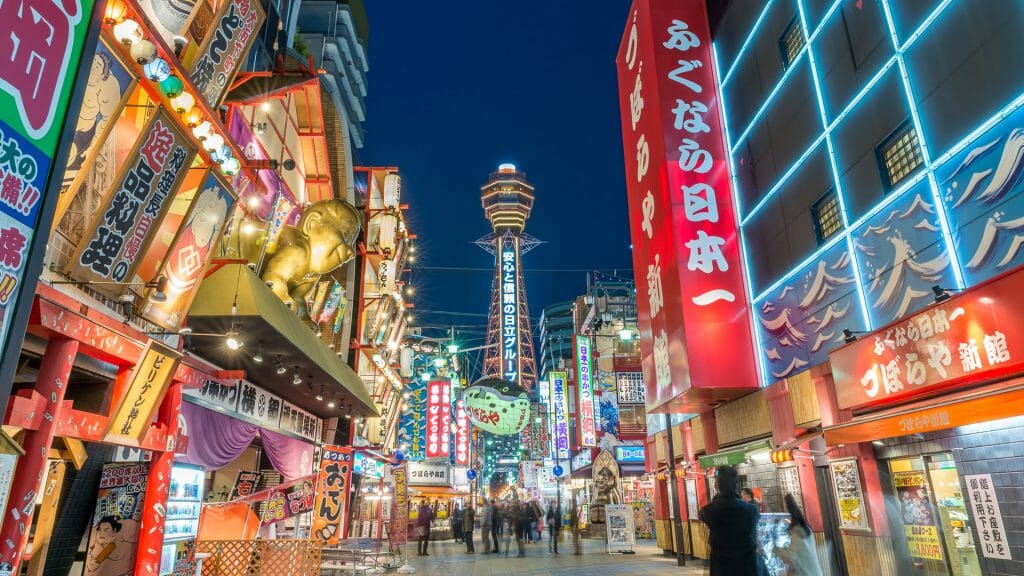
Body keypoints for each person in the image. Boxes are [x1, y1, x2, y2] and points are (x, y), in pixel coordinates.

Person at [699, 466, 768, 576]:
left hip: (721, 568)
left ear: (716, 485)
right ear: (736, 483)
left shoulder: (707, 511)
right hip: (747, 568)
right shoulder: (752, 510)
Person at [775, 495, 823, 576]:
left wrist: (775, 549)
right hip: (814, 571)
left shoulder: (797, 531)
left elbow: (790, 557)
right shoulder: (806, 527)